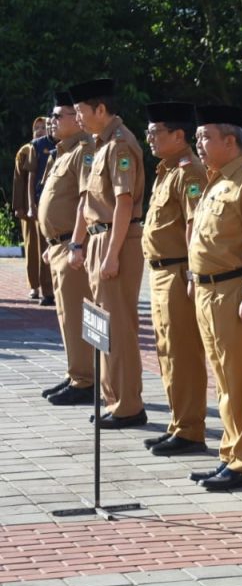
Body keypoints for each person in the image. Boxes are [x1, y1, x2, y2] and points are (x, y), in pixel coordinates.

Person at [187, 105, 242, 491]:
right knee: (223, 380)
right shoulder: (216, 181)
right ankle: (230, 454)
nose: (198, 144)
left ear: (230, 141)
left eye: (206, 137)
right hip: (207, 290)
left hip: (234, 289)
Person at [67, 78, 146, 428]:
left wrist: (112, 254)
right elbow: (90, 203)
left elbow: (124, 202)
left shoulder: (119, 145)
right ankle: (112, 398)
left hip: (117, 240)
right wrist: (81, 243)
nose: (78, 117)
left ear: (101, 109)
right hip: (100, 239)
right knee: (102, 324)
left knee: (119, 326)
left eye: (82, 111)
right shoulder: (100, 145)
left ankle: (128, 405)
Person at [141, 102, 209, 456]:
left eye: (156, 132)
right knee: (167, 352)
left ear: (178, 136)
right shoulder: (166, 170)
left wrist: (193, 276)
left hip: (178, 271)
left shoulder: (189, 173)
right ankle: (178, 423)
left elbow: (193, 227)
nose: (149, 138)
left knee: (182, 353)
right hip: (159, 271)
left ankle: (190, 430)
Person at [38, 93, 95, 405]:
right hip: (58, 246)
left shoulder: (85, 151)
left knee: (76, 315)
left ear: (78, 118)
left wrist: (75, 242)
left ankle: (86, 381)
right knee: (65, 316)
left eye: (59, 115)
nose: (52, 120)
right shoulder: (63, 152)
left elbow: (86, 201)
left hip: (73, 246)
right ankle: (77, 373)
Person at [13, 117, 51, 303]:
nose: (40, 130)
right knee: (31, 248)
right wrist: (19, 206)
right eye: (36, 127)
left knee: (47, 247)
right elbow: (19, 180)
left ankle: (48, 287)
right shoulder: (26, 151)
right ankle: (34, 286)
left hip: (48, 209)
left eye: (43, 127)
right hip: (29, 209)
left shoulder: (53, 149)